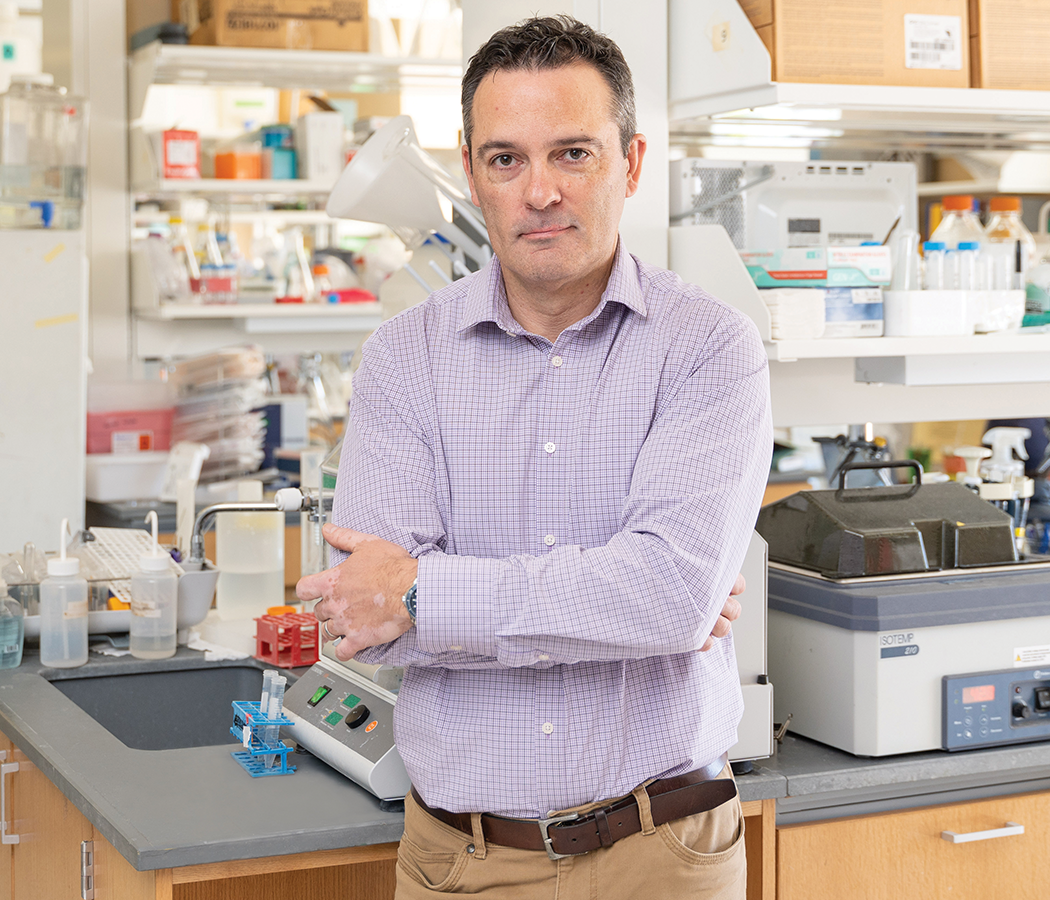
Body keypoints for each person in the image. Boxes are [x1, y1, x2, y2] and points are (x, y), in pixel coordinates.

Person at [296, 15, 773, 899]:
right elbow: (367, 623)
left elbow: (668, 597)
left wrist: (425, 596)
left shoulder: (710, 348)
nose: (540, 190)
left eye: (573, 154)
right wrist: (624, 605)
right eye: (507, 159)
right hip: (460, 863)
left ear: (630, 164)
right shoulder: (404, 356)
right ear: (474, 175)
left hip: (663, 854)